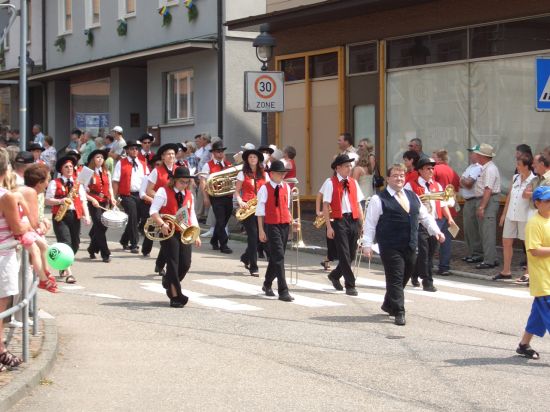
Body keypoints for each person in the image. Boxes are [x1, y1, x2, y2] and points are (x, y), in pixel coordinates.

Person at [362, 163, 444, 326]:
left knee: (405, 275)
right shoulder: (379, 199)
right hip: (390, 245)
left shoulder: (413, 196)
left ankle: (388, 303)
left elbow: (425, 217)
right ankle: (399, 311)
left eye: (401, 176)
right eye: (395, 176)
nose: (399, 179)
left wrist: (436, 231)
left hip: (410, 244)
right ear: (388, 179)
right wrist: (367, 244)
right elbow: (370, 223)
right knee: (395, 276)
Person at [149, 166, 201, 308]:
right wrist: (161, 224)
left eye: (186, 182)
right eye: (181, 182)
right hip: (168, 231)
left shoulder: (189, 194)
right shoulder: (163, 191)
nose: (184, 184)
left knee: (185, 264)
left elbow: (191, 215)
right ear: (174, 180)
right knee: (173, 263)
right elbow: (153, 211)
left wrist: (196, 234)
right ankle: (175, 296)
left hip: (185, 231)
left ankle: (168, 281)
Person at [405, 157, 455, 291]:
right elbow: (405, 204)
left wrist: (449, 218)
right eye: (428, 168)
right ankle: (428, 281)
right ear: (420, 170)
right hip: (419, 224)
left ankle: (414, 273)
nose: (431, 171)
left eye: (432, 168)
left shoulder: (437, 186)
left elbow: (443, 204)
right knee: (423, 252)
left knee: (430, 253)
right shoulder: (411, 185)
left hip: (434, 223)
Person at [0, 148, 30, 370]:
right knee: (1, 305)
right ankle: (0, 350)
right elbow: (18, 227)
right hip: (3, 255)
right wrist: (30, 223)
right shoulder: (6, 196)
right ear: (6, 168)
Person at [515, 186, 550, 360]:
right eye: (547, 201)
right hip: (543, 279)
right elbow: (534, 250)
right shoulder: (534, 223)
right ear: (537, 203)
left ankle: (524, 345)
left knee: (538, 314)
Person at [322, 154, 365, 296]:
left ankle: (334, 275)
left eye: (350, 166)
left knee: (351, 254)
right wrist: (329, 227)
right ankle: (350, 285)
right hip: (339, 220)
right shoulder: (330, 183)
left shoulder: (353, 182)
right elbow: (325, 205)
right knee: (344, 254)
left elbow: (358, 204)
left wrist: (362, 224)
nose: (349, 168)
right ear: (338, 168)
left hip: (353, 219)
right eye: (346, 166)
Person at [45, 156, 91, 283]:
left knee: (75, 244)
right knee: (65, 243)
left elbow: (83, 201)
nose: (69, 169)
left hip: (74, 216)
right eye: (66, 167)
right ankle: (69, 274)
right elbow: (47, 200)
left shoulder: (77, 183)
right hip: (60, 217)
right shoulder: (55, 183)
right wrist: (60, 200)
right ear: (61, 169)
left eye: (71, 166)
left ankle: (63, 264)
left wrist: (87, 216)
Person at [256, 160, 297, 302]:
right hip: (271, 225)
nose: (282, 175)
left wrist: (292, 222)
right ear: (272, 174)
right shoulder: (264, 188)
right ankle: (283, 291)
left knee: (276, 257)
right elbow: (260, 212)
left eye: (283, 173)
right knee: (279, 256)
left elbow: (286, 207)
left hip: (284, 225)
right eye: (279, 173)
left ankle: (267, 283)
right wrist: (261, 230)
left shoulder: (286, 187)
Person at [492, 153, 535, 281]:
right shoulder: (515, 177)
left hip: (525, 216)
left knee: (527, 244)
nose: (517, 167)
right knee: (506, 241)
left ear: (526, 166)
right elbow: (510, 196)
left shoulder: (534, 180)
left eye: (519, 164)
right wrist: (504, 214)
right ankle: (506, 271)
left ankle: (528, 272)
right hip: (511, 214)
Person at [17, 164, 58, 293]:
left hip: (20, 227)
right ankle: (44, 277)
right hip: (21, 229)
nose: (47, 184)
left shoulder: (22, 189)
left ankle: (45, 274)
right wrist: (40, 228)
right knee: (39, 248)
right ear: (39, 182)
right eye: (47, 180)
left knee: (42, 246)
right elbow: (33, 222)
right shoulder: (31, 192)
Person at [235, 148, 268, 277]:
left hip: (261, 207)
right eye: (250, 157)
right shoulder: (242, 174)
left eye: (254, 157)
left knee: (261, 236)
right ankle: (253, 266)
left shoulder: (265, 174)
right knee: (253, 236)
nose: (252, 159)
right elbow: (237, 191)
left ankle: (245, 257)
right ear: (247, 160)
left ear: (258, 159)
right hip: (248, 208)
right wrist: (240, 201)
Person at [146, 143, 180, 270]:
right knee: (166, 238)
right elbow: (149, 190)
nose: (171, 156)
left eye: (173, 154)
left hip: (176, 208)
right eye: (168, 154)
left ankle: (160, 264)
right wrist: (162, 198)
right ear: (163, 157)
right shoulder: (156, 171)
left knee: (171, 238)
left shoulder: (179, 170)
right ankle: (161, 266)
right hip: (162, 209)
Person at [112, 140, 147, 253]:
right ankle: (134, 244)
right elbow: (116, 181)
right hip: (126, 194)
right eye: (132, 149)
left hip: (140, 194)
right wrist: (114, 197)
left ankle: (124, 240)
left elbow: (147, 180)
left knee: (136, 219)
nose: (135, 151)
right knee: (132, 216)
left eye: (136, 149)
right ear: (127, 150)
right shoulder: (121, 163)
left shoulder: (142, 163)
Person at [200, 140, 233, 254]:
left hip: (228, 195)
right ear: (213, 152)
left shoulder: (228, 164)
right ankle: (224, 245)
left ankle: (214, 240)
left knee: (223, 220)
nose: (220, 153)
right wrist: (205, 197)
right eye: (218, 151)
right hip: (216, 197)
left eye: (222, 151)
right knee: (220, 219)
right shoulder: (207, 165)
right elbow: (203, 182)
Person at [472, 144, 501, 269]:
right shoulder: (486, 168)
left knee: (487, 231)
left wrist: (482, 207)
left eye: (478, 154)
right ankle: (491, 257)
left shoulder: (489, 169)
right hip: (486, 200)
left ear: (482, 156)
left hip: (488, 200)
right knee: (485, 231)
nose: (476, 156)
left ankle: (489, 260)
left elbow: (488, 189)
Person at [432, 149, 460, 276]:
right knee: (446, 240)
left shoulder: (435, 169)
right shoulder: (452, 171)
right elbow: (456, 188)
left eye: (433, 157)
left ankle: (427, 264)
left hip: (438, 208)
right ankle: (444, 267)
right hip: (450, 208)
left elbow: (430, 186)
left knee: (432, 238)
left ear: (438, 158)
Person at [85, 149, 115, 263]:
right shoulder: (87, 172)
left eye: (102, 158)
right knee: (99, 224)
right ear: (93, 159)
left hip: (105, 201)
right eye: (98, 157)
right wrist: (92, 199)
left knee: (103, 226)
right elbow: (81, 190)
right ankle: (105, 253)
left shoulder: (106, 172)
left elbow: (110, 187)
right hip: (93, 202)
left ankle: (92, 248)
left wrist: (112, 198)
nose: (100, 159)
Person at [460, 148, 483, 263]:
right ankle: (471, 252)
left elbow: (468, 183)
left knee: (473, 229)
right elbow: (461, 181)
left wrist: (463, 180)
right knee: (468, 229)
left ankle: (477, 253)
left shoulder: (478, 167)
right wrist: (463, 180)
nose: (470, 155)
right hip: (467, 201)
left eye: (472, 153)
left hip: (473, 200)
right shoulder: (470, 167)